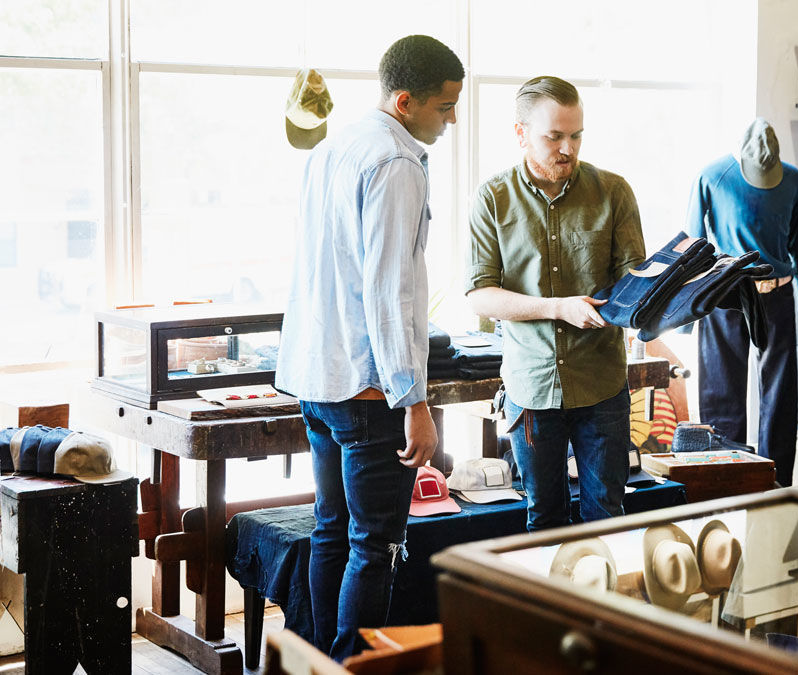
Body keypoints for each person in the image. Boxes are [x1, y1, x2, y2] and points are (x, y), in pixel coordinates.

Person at [275, 35, 464, 660]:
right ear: (405, 101)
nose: (453, 119)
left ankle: (316, 664)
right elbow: (389, 292)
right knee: (375, 543)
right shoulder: (396, 163)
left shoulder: (333, 147)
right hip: (368, 388)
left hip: (316, 377)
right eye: (445, 106)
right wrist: (414, 401)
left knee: (333, 533)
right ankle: (353, 667)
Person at [466, 76, 647, 532]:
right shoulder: (492, 198)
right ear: (521, 133)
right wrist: (557, 308)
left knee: (607, 520)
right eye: (555, 136)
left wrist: (668, 299)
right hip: (531, 390)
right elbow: (480, 295)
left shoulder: (614, 192)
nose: (568, 148)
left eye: (577, 135)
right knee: (543, 519)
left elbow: (636, 283)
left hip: (602, 386)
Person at [685, 118, 798, 487]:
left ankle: (777, 484)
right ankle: (722, 477)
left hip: (775, 293)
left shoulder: (793, 181)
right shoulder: (713, 177)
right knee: (720, 390)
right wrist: (684, 311)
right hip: (725, 293)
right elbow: (690, 246)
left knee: (780, 393)